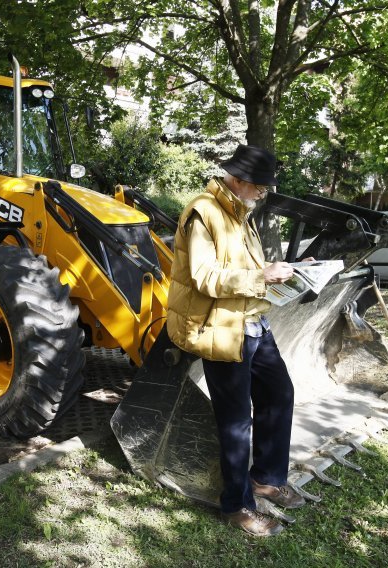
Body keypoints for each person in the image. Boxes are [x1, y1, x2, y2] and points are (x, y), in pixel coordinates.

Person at [166, 144, 306, 537]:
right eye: (260, 188)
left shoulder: (240, 213)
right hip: (221, 326)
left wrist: (286, 270)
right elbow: (205, 277)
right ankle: (237, 505)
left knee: (279, 394)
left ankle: (266, 478)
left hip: (252, 321)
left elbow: (245, 267)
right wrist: (264, 276)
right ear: (240, 181)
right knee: (235, 420)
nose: (263, 194)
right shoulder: (203, 212)